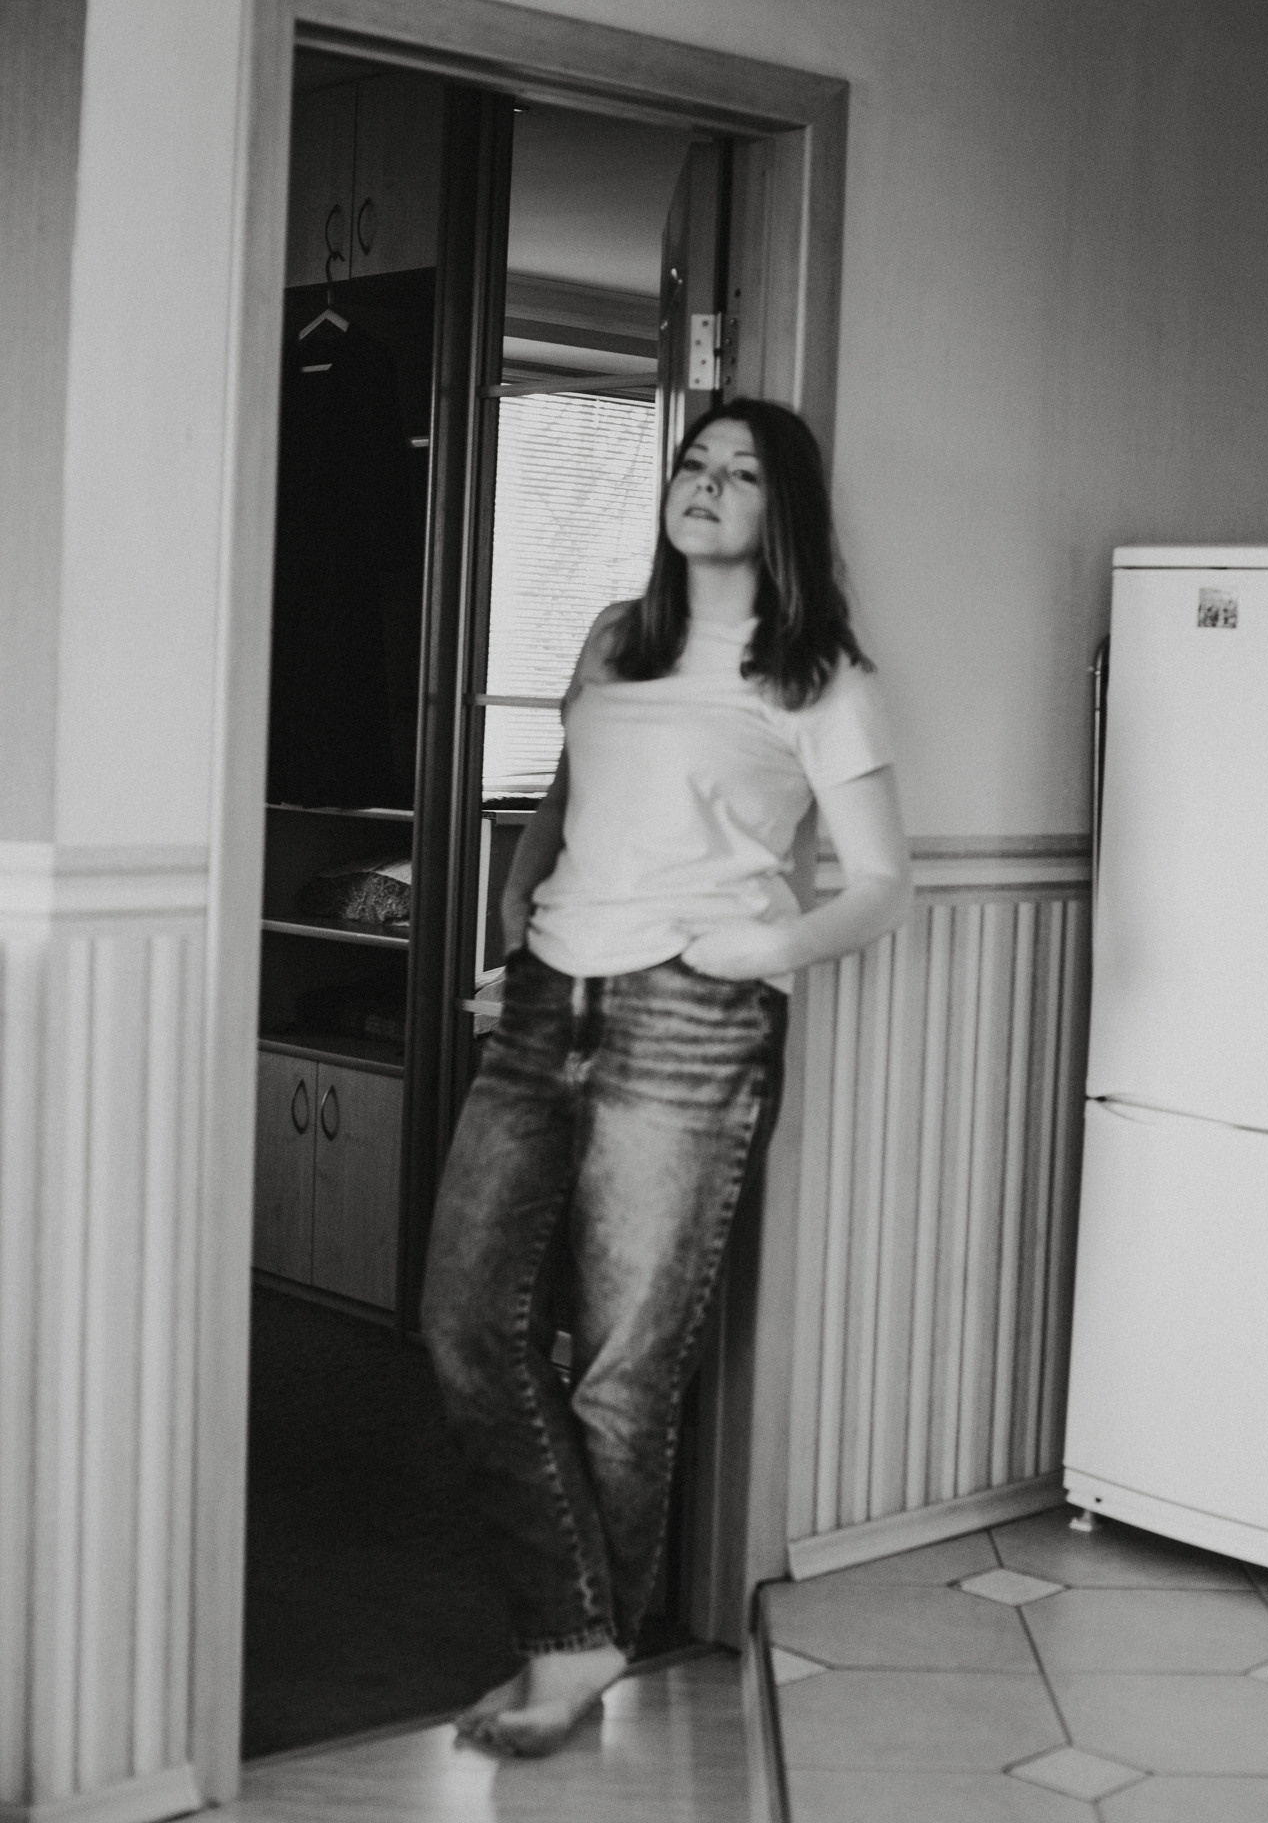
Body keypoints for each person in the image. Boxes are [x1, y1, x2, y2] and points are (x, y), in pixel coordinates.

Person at [422, 399, 912, 1755]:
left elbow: (883, 884)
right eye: (695, 461)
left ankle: (567, 1657)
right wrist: (514, 922)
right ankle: (578, 1634)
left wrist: (765, 946)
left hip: (695, 1018)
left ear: (781, 512)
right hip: (547, 1004)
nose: (706, 483)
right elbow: (565, 801)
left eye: (740, 473)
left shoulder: (818, 676)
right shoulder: (614, 639)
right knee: (464, 1322)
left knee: (623, 1368)